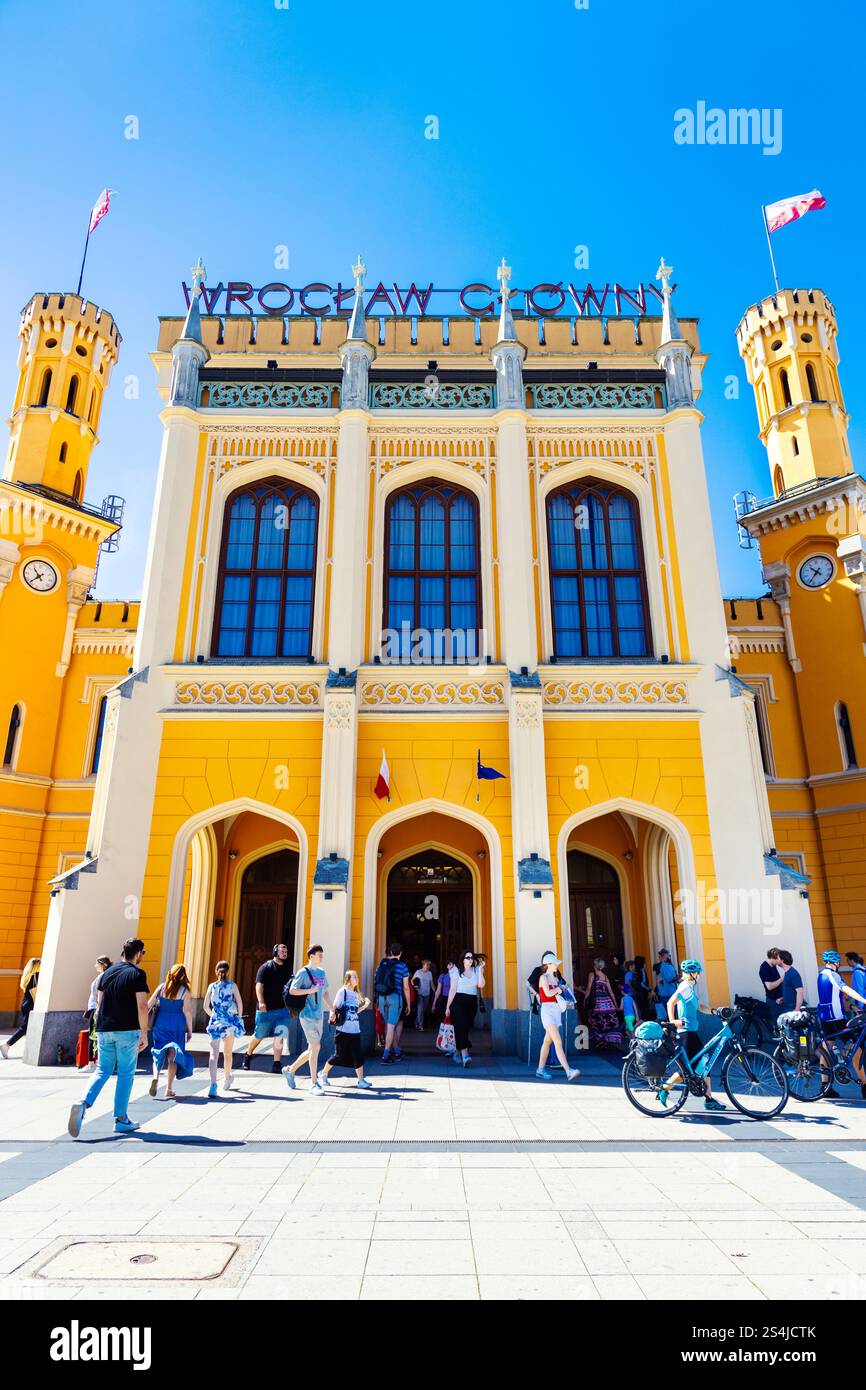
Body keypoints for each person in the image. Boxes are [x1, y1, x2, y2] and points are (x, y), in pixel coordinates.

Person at [67, 938, 150, 1137]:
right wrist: (144, 1032)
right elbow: (142, 1005)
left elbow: (99, 1003)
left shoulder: (107, 974)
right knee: (125, 1073)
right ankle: (121, 1119)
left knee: (102, 1070)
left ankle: (82, 1102)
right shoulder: (137, 974)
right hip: (127, 1030)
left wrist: (99, 1030)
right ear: (138, 954)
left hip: (104, 1028)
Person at [659, 960, 725, 1112]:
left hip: (692, 1032)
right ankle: (664, 1088)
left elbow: (700, 1006)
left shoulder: (691, 988)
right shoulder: (684, 987)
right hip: (686, 1033)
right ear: (691, 974)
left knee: (704, 1063)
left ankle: (709, 1099)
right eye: (698, 972)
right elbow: (670, 1003)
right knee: (689, 1070)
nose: (700, 974)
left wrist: (715, 1012)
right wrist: (673, 1021)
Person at [816, 950, 866, 1099]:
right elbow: (846, 989)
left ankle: (825, 1088)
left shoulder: (821, 976)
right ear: (836, 963)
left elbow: (836, 998)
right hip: (837, 1020)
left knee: (826, 1050)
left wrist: (851, 1007)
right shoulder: (833, 974)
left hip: (825, 1019)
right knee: (857, 1048)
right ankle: (865, 1086)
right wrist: (864, 1001)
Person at [283, 944, 331, 1095]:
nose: (321, 957)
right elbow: (292, 990)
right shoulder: (303, 972)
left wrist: (332, 1008)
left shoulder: (322, 972)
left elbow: (325, 992)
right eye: (319, 955)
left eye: (322, 955)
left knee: (312, 1048)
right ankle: (313, 1083)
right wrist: (309, 990)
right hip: (307, 1014)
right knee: (316, 1047)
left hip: (319, 1014)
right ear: (311, 956)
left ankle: (290, 1070)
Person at [243, 942, 292, 1073]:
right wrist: (261, 1002)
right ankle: (248, 1055)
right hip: (266, 1010)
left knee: (280, 1035)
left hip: (282, 1010)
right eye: (282, 950)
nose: (285, 953)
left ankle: (276, 1062)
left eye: (286, 951)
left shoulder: (288, 968)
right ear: (275, 952)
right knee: (259, 1035)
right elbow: (259, 985)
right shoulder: (266, 967)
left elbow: (291, 988)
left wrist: (291, 1007)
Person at [147, 964, 195, 1100]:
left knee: (158, 1051)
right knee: (173, 1056)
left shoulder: (162, 987)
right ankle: (168, 1088)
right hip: (177, 1025)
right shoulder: (184, 991)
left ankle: (155, 1077)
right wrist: (190, 1030)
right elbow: (188, 1012)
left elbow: (149, 1004)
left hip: (161, 1023)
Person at [320, 970, 373, 1090]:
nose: (357, 979)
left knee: (358, 1055)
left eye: (357, 976)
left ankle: (361, 1080)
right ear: (348, 979)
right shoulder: (342, 992)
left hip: (355, 1030)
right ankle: (323, 1073)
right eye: (354, 977)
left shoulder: (355, 994)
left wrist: (364, 1006)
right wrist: (332, 1016)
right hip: (343, 1030)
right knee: (339, 1056)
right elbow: (334, 1008)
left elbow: (354, 1012)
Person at [534, 950, 581, 1082]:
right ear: (548, 964)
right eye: (554, 963)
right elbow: (548, 994)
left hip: (555, 1011)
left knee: (547, 1042)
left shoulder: (555, 978)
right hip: (547, 1011)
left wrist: (564, 989)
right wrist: (559, 989)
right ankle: (568, 1071)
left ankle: (540, 1069)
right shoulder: (543, 978)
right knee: (558, 1041)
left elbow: (555, 994)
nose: (557, 965)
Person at [203, 960, 245, 1097]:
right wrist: (238, 1017)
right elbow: (239, 1003)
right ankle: (227, 1078)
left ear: (216, 971)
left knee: (213, 1055)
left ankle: (213, 1084)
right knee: (228, 1053)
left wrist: (214, 1016)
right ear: (228, 972)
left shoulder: (211, 986)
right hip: (229, 1023)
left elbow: (205, 1006)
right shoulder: (232, 986)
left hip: (215, 1023)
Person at [445, 949, 486, 1067]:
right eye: (468, 958)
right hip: (458, 1002)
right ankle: (465, 1055)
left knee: (464, 1028)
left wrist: (480, 970)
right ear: (462, 960)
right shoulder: (455, 971)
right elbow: (452, 990)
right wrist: (447, 1007)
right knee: (461, 1026)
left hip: (471, 1002)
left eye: (472, 958)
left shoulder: (477, 969)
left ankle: (456, 1052)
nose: (470, 960)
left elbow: (481, 985)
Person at [374, 942, 411, 1064]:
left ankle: (397, 1050)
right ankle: (385, 1055)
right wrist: (409, 1004)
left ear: (390, 952)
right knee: (391, 1027)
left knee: (389, 1026)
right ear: (400, 953)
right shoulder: (402, 966)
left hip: (382, 997)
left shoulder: (382, 963)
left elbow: (376, 979)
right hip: (395, 997)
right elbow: (406, 987)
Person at [579, 958, 624, 1050]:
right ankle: (606, 1041)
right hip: (607, 1003)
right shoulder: (605, 976)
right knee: (607, 1022)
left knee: (597, 1021)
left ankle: (600, 1041)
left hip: (597, 1002)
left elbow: (588, 988)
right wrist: (615, 1004)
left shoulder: (592, 974)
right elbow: (611, 992)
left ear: (595, 965)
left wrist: (585, 999)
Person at [0, 957, 40, 1058]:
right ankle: (7, 1044)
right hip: (31, 1004)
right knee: (25, 1027)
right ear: (37, 966)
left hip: (25, 1003)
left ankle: (32, 1051)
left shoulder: (26, 977)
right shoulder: (36, 975)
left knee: (31, 1028)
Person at [84, 955, 112, 1069]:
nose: (95, 965)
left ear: (102, 964)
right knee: (94, 1034)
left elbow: (99, 994)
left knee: (93, 1035)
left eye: (97, 963)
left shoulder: (102, 976)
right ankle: (94, 1062)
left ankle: (91, 1063)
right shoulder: (102, 976)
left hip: (96, 1008)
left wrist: (97, 1009)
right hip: (95, 1007)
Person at [653, 948, 678, 1021]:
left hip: (668, 993)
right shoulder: (664, 966)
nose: (670, 957)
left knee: (670, 1015)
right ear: (665, 956)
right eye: (669, 955)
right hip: (668, 994)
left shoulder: (666, 965)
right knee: (671, 1015)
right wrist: (679, 978)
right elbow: (669, 980)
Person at [776, 949, 804, 1013]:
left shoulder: (793, 973)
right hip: (787, 1007)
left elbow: (800, 992)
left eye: (777, 958)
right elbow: (791, 990)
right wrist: (783, 998)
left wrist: (797, 1010)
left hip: (793, 1008)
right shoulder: (787, 973)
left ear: (782, 960)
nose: (776, 960)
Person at [759, 947, 784, 1016]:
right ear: (773, 957)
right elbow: (769, 987)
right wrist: (782, 979)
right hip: (773, 1002)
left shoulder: (773, 965)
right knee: (776, 1024)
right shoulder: (764, 968)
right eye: (779, 959)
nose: (779, 961)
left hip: (779, 999)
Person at [412, 959, 434, 1030]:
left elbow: (431, 983)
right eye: (427, 965)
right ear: (423, 965)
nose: (428, 966)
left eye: (429, 965)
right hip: (419, 993)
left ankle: (416, 1022)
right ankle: (420, 1025)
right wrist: (414, 986)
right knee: (420, 1008)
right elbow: (412, 980)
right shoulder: (418, 972)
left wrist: (435, 991)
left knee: (424, 1009)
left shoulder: (429, 973)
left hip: (427, 993)